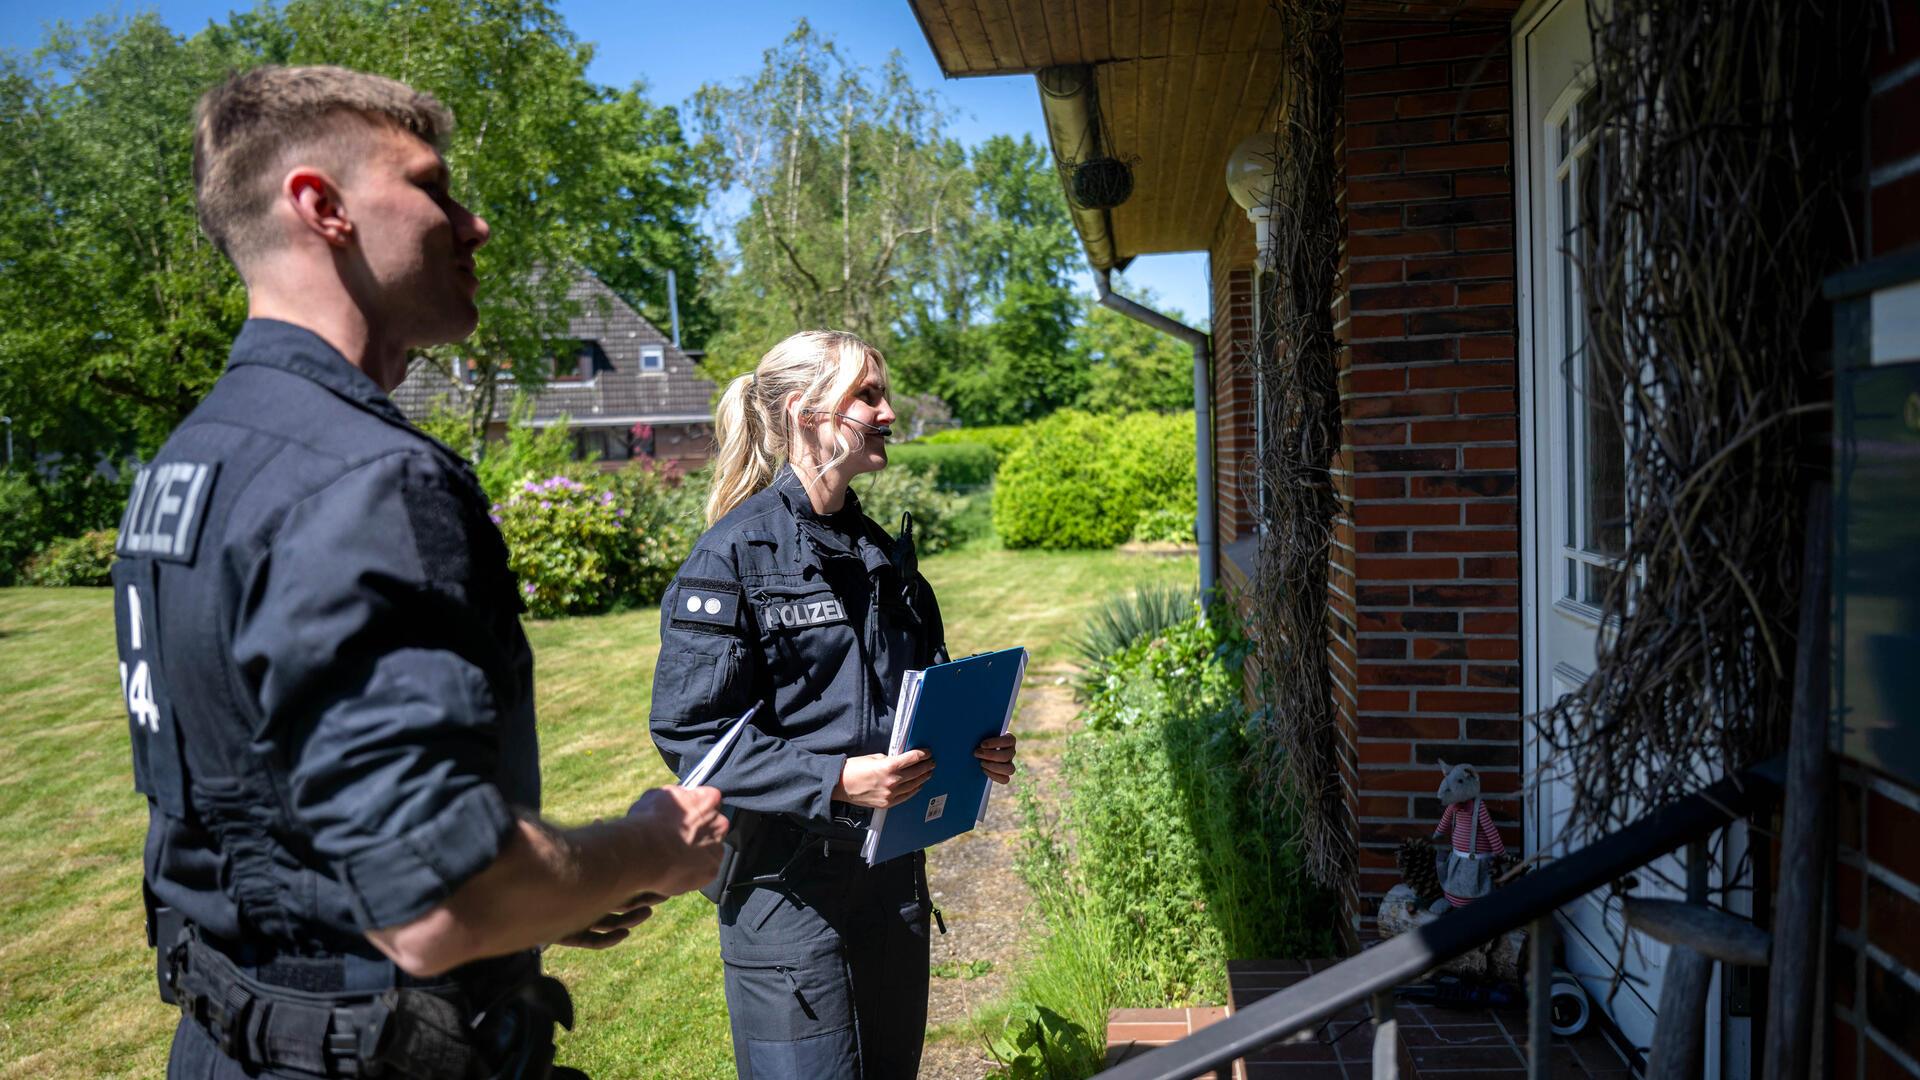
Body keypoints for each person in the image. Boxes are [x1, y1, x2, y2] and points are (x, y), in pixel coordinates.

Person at [113, 65, 726, 1079]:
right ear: (322, 207)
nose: (473, 225)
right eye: (432, 187)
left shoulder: (191, 463)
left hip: (233, 1036)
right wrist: (651, 849)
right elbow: (441, 903)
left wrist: (554, 892)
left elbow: (275, 805)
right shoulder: (365, 478)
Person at [648, 330, 1018, 1078]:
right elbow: (693, 735)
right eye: (868, 395)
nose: (887, 414)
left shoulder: (884, 554)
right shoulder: (732, 556)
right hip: (786, 893)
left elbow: (914, 699)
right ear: (805, 412)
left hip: (889, 881)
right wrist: (837, 781)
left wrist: (973, 748)